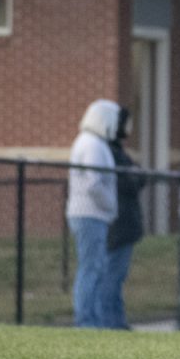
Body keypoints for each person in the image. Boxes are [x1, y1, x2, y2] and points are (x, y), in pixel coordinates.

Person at [66, 99, 120, 328]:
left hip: (94, 215)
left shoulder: (93, 143)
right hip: (90, 215)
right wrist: (110, 206)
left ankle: (94, 320)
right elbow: (94, 184)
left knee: (96, 267)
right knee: (90, 268)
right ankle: (86, 320)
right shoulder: (91, 145)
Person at [103, 107, 146, 331]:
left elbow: (139, 177)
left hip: (124, 224)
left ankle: (117, 322)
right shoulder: (110, 153)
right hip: (118, 224)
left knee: (117, 276)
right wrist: (135, 176)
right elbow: (129, 181)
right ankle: (110, 322)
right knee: (112, 275)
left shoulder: (118, 152)